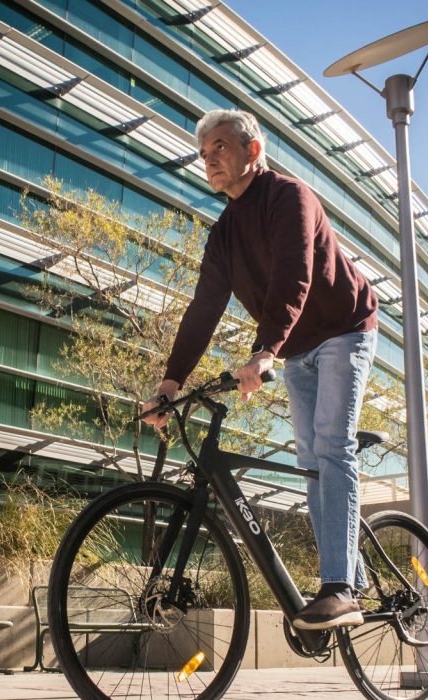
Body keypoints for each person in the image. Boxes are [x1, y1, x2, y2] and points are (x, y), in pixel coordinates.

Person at [141, 109, 378, 630]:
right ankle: (350, 579)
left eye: (220, 148)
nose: (210, 161)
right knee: (309, 458)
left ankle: (340, 588)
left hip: (345, 329)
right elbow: (203, 308)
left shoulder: (288, 197)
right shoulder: (223, 233)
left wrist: (264, 350)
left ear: (252, 150)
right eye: (204, 154)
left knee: (331, 445)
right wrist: (169, 384)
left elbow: (295, 274)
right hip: (296, 349)